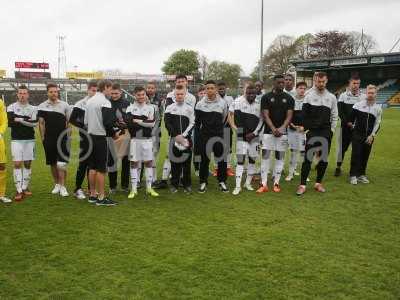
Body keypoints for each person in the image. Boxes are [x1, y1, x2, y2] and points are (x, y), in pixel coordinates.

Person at [296, 72, 338, 196]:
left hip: (326, 132)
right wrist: (306, 129)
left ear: (326, 81)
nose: (321, 84)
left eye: (323, 81)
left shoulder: (331, 97)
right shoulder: (309, 95)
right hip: (312, 131)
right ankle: (302, 185)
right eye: (319, 81)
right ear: (315, 81)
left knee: (323, 160)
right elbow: (304, 115)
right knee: (308, 159)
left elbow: (335, 115)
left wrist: (332, 130)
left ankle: (318, 183)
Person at [155, 75, 196, 189]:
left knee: (185, 158)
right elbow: (169, 119)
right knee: (171, 157)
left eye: (183, 81)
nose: (181, 82)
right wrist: (175, 134)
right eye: (178, 81)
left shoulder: (192, 98)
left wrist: (184, 135)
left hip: (186, 134)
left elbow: (190, 118)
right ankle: (166, 180)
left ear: (187, 82)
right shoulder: (169, 95)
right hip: (173, 134)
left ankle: (184, 181)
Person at [257, 75, 294, 194]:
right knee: (266, 157)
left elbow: (289, 116)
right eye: (279, 82)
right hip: (268, 133)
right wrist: (273, 128)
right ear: (274, 83)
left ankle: (276, 183)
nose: (282, 84)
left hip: (282, 134)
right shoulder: (266, 97)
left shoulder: (289, 98)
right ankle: (263, 184)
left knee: (280, 158)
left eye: (283, 82)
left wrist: (282, 128)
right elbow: (265, 115)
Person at [85, 79, 118, 206]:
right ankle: (101, 197)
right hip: (100, 138)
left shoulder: (89, 101)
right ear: (106, 87)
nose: (111, 92)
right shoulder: (105, 102)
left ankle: (93, 195)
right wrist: (114, 134)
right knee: (101, 169)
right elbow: (108, 123)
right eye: (110, 89)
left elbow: (86, 122)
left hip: (90, 137)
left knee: (92, 167)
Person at [37, 83, 71, 197]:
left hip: (63, 138)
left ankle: (63, 186)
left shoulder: (65, 105)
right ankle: (57, 184)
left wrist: (68, 137)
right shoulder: (42, 106)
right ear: (47, 92)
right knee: (52, 163)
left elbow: (69, 123)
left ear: (58, 92)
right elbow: (41, 123)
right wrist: (43, 138)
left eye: (55, 91)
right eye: (51, 91)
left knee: (62, 163)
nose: (53, 93)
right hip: (49, 138)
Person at [195, 80, 229, 193]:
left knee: (221, 159)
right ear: (205, 90)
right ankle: (203, 182)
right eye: (207, 88)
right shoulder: (200, 104)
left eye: (212, 88)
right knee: (204, 160)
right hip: (205, 136)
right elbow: (197, 122)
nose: (209, 90)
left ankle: (222, 181)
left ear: (215, 89)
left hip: (219, 135)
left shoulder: (223, 103)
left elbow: (224, 118)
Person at [229, 83, 262, 195]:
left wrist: (254, 133)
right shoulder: (237, 102)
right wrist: (235, 128)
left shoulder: (259, 104)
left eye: (253, 93)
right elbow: (230, 115)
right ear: (245, 92)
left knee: (252, 160)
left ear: (256, 93)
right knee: (240, 161)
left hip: (254, 138)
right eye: (249, 93)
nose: (251, 95)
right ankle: (238, 186)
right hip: (241, 137)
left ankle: (247, 183)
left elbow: (262, 120)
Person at [126, 86, 159, 199]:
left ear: (145, 95)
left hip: (147, 140)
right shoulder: (130, 108)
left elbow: (151, 123)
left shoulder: (151, 108)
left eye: (143, 94)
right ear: (134, 95)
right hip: (135, 140)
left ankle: (149, 188)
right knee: (134, 163)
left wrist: (137, 120)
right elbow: (130, 124)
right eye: (138, 95)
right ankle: (134, 189)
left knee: (149, 162)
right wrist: (143, 121)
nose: (141, 97)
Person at [7, 85, 37, 201]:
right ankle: (18, 190)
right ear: (17, 94)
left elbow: (34, 123)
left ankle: (25, 187)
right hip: (16, 140)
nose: (22, 95)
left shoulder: (33, 108)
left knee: (28, 164)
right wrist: (26, 119)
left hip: (30, 139)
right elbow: (10, 122)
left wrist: (19, 119)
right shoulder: (11, 107)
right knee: (17, 163)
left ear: (28, 95)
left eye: (24, 93)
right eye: (20, 93)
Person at [69, 80, 98, 200]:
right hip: (85, 139)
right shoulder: (80, 104)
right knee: (83, 164)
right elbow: (72, 120)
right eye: (93, 90)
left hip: (97, 138)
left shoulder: (99, 104)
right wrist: (84, 126)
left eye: (97, 91)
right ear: (88, 90)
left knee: (93, 165)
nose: (95, 93)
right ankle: (77, 189)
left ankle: (91, 189)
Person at [164, 85, 195, 193]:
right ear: (174, 95)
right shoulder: (169, 108)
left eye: (182, 94)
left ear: (185, 94)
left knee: (186, 163)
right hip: (174, 139)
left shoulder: (190, 108)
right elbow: (167, 123)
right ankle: (174, 184)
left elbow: (192, 123)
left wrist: (184, 135)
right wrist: (176, 135)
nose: (180, 96)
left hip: (186, 139)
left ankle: (187, 185)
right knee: (174, 163)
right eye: (178, 94)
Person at [349, 85, 382, 185]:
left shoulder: (378, 108)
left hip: (369, 137)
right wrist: (354, 129)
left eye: (372, 93)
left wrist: (372, 135)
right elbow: (350, 119)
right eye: (369, 93)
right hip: (357, 135)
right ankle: (353, 175)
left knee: (365, 155)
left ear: (376, 94)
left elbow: (377, 123)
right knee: (356, 154)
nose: (370, 95)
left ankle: (361, 175)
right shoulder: (358, 105)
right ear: (366, 93)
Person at [335, 75, 365, 177]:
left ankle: (355, 170)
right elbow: (340, 111)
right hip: (344, 127)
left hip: (358, 128)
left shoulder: (363, 97)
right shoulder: (343, 96)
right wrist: (347, 122)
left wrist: (357, 124)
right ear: (350, 83)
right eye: (354, 83)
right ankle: (338, 167)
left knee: (357, 150)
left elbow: (363, 112)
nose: (356, 85)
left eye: (358, 83)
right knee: (341, 149)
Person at [107, 83, 130, 193]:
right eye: (112, 93)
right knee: (112, 161)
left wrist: (124, 124)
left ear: (121, 92)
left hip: (125, 134)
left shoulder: (127, 103)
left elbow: (130, 118)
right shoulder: (107, 103)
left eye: (116, 93)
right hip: (112, 135)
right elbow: (106, 120)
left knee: (126, 161)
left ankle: (125, 186)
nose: (114, 95)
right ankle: (112, 186)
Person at [285, 82, 307, 182]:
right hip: (292, 130)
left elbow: (310, 117)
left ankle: (304, 174)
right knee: (293, 152)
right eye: (300, 88)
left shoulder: (308, 101)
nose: (302, 90)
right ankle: (290, 173)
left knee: (303, 153)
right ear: (296, 89)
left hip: (303, 132)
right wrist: (291, 125)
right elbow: (288, 116)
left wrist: (304, 127)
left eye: (304, 88)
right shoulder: (291, 100)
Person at [146, 81, 163, 184]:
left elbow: (160, 117)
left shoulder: (159, 101)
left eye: (152, 88)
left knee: (153, 155)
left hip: (155, 132)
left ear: (155, 89)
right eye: (148, 88)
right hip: (142, 133)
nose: (150, 89)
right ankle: (138, 180)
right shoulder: (141, 97)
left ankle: (154, 178)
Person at [217, 81, 235, 177]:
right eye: (219, 89)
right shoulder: (215, 99)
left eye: (223, 89)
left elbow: (232, 113)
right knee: (217, 148)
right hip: (217, 128)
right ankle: (217, 168)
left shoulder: (230, 99)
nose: (221, 90)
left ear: (226, 89)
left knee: (228, 148)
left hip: (227, 126)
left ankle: (228, 168)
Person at [0, 96, 11, 203]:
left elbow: (4, 121)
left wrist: (0, 132)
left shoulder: (0, 103)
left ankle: (1, 194)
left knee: (1, 166)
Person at [193, 85, 206, 175]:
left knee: (206, 150)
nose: (203, 95)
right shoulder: (195, 104)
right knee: (197, 150)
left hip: (206, 131)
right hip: (196, 130)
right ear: (198, 94)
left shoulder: (209, 104)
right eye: (201, 93)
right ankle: (197, 168)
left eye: (204, 93)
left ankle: (204, 167)